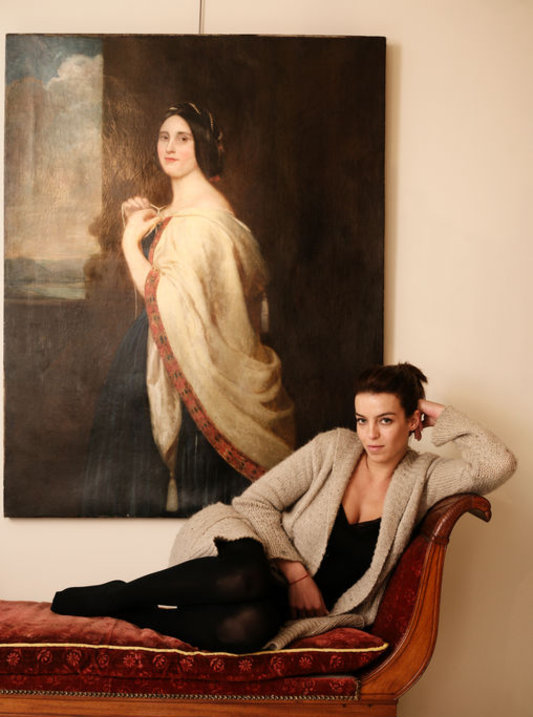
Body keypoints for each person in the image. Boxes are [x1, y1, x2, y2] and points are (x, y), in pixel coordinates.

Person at [55, 362, 516, 652]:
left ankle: (133, 612)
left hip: (281, 606)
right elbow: (255, 502)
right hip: (247, 549)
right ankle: (117, 593)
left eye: (386, 420)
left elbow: (498, 464)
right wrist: (296, 574)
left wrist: (439, 412)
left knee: (247, 631)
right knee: (248, 576)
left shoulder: (426, 477)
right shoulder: (334, 448)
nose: (370, 434)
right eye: (362, 419)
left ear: (413, 420)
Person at [82, 103, 295, 517]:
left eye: (183, 138)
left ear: (202, 146)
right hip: (158, 350)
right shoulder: (180, 210)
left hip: (191, 364)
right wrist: (142, 222)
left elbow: (165, 296)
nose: (170, 147)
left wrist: (130, 242)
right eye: (164, 137)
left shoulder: (205, 220)